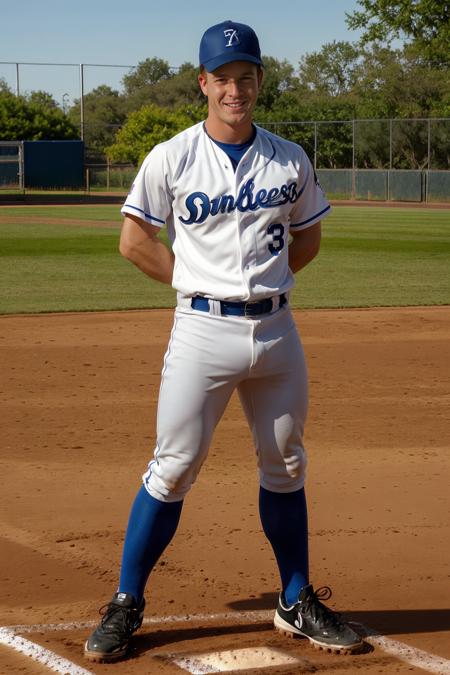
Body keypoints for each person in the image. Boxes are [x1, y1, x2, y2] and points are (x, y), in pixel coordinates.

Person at [84, 19, 363, 663]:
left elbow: (309, 236)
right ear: (204, 83)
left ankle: (294, 600)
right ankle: (127, 602)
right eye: (224, 78)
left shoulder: (289, 156)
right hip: (202, 331)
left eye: (247, 77)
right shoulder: (173, 155)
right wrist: (194, 281)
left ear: (259, 81)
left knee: (286, 463)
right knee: (173, 467)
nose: (235, 89)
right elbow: (134, 241)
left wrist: (268, 282)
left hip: (277, 330)